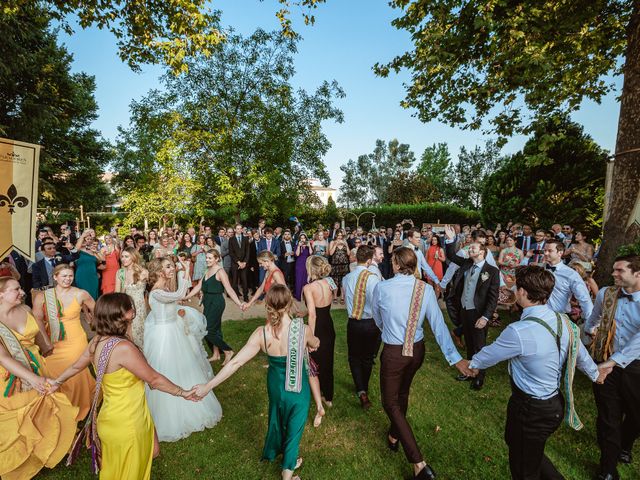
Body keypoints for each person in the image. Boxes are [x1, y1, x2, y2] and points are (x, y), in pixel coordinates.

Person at [469, 266, 605, 480]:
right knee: (524, 447)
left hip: (530, 410)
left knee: (524, 470)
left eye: (516, 286)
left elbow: (488, 355)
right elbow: (580, 355)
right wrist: (596, 374)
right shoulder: (564, 322)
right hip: (553, 405)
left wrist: (471, 364)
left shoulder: (519, 332)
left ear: (522, 292)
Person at [51, 293, 198, 480]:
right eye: (131, 308)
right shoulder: (123, 349)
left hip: (113, 416)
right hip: (128, 421)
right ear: (126, 315)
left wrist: (56, 382)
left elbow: (76, 366)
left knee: (150, 452)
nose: (134, 310)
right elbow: (154, 379)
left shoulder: (97, 342)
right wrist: (183, 392)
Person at [193, 285, 319, 480]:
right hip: (298, 388)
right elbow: (315, 343)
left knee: (278, 418)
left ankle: (289, 459)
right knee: (295, 428)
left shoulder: (262, 333)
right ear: (290, 304)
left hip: (276, 387)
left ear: (268, 305)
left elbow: (236, 362)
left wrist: (207, 386)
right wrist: (315, 343)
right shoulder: (303, 329)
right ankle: (288, 474)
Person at [372, 248, 471, 480]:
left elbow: (377, 316)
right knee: (402, 393)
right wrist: (455, 359)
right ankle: (394, 436)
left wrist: (387, 330)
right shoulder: (424, 289)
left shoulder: (382, 287)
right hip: (417, 351)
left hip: (394, 353)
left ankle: (419, 464)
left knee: (389, 402)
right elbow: (438, 325)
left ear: (396, 264)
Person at [0, 276, 80, 480]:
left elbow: (39, 338)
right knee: (19, 417)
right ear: (1, 294)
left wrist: (46, 349)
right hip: (11, 377)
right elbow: (3, 357)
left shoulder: (25, 310)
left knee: (44, 410)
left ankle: (46, 449)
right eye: (16, 289)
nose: (22, 292)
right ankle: (20, 460)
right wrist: (33, 379)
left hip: (37, 366)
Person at [144, 257, 222, 441]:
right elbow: (180, 294)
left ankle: (192, 403)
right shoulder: (156, 293)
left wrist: (179, 311)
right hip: (164, 336)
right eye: (168, 267)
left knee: (185, 367)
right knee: (167, 368)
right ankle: (168, 414)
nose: (172, 269)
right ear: (158, 271)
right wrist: (186, 269)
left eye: (172, 266)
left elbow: (176, 299)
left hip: (175, 331)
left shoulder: (164, 290)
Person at [585, 255, 640, 480]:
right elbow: (594, 319)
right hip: (605, 363)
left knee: (636, 416)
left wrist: (614, 361)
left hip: (636, 368)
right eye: (614, 270)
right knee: (608, 416)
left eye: (620, 271)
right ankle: (608, 468)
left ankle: (625, 446)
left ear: (637, 273)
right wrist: (589, 334)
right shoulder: (606, 294)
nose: (614, 274)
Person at [32, 264, 96, 420]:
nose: (68, 279)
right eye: (64, 276)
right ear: (55, 277)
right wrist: (45, 342)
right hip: (52, 340)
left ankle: (78, 408)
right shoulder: (42, 296)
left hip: (75, 340)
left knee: (75, 372)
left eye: (70, 276)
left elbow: (98, 310)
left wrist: (92, 320)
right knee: (53, 372)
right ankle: (58, 408)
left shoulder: (81, 294)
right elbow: (37, 319)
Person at [443, 225, 500, 390]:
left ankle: (479, 376)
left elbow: (492, 297)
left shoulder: (492, 271)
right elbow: (451, 255)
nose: (469, 249)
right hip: (464, 310)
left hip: (479, 313)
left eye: (472, 247)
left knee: (479, 346)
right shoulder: (467, 264)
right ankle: (469, 372)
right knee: (469, 343)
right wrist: (450, 239)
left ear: (482, 252)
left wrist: (486, 317)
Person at [184, 250, 243, 365]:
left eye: (210, 258)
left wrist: (239, 303)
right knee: (215, 330)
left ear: (217, 259)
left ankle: (228, 350)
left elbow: (229, 289)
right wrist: (186, 297)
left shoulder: (220, 272)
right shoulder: (207, 270)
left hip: (217, 302)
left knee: (208, 330)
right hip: (207, 302)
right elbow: (199, 287)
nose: (207, 260)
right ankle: (216, 355)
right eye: (206, 258)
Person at [342, 245, 381, 409]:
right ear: (370, 260)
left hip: (354, 323)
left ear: (356, 258)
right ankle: (363, 387)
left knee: (354, 357)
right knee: (366, 357)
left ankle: (361, 389)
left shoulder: (346, 278)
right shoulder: (373, 278)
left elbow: (345, 299)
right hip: (370, 322)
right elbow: (377, 302)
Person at [303, 255, 337, 407]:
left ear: (311, 269)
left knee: (314, 362)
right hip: (328, 325)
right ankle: (328, 397)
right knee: (327, 361)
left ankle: (316, 393)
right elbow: (322, 306)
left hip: (317, 328)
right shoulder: (329, 282)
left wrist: (311, 337)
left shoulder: (308, 288)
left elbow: (313, 314)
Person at [543, 240, 593, 321]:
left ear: (560, 253)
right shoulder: (539, 270)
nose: (545, 253)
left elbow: (584, 299)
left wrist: (590, 324)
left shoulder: (571, 274)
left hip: (560, 317)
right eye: (545, 250)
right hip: (539, 316)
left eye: (550, 251)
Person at [115, 247, 149, 348]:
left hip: (139, 308)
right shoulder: (120, 273)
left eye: (126, 256)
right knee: (127, 333)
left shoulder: (143, 272)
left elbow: (151, 290)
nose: (123, 259)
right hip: (125, 306)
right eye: (122, 257)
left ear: (133, 257)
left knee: (139, 333)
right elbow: (117, 293)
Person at [74, 229, 103, 300]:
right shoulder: (79, 250)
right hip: (82, 275)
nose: (89, 240)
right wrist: (83, 235)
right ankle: (85, 311)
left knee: (93, 294)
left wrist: (96, 252)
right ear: (83, 240)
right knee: (83, 293)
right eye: (87, 239)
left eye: (90, 239)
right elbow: (76, 248)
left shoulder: (93, 250)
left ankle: (93, 310)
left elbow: (100, 261)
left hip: (93, 275)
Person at [229, 224, 251, 302]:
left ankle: (246, 296)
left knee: (244, 280)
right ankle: (236, 296)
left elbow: (248, 252)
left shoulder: (246, 239)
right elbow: (231, 253)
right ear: (235, 230)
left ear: (242, 230)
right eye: (237, 229)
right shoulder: (231, 239)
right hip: (235, 263)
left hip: (244, 263)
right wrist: (238, 262)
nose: (239, 230)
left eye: (240, 228)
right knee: (234, 281)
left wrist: (244, 262)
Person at [329, 229, 350, 304]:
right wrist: (335, 245)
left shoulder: (345, 242)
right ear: (336, 235)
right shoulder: (332, 242)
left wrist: (345, 245)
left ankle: (342, 297)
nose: (340, 237)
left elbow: (348, 253)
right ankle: (335, 297)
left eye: (341, 235)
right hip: (335, 265)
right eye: (338, 235)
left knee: (343, 282)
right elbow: (330, 253)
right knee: (335, 282)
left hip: (344, 264)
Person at [294, 233, 312, 301]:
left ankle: (306, 295)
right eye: (301, 238)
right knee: (299, 279)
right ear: (299, 239)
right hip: (299, 264)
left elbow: (311, 254)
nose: (302, 239)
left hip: (307, 264)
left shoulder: (308, 246)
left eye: (304, 238)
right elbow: (297, 254)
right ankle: (298, 296)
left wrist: (309, 246)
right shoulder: (297, 246)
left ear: (306, 238)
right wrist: (299, 246)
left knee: (306, 280)